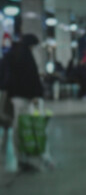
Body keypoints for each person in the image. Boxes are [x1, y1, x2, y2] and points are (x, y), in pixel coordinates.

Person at [2, 34, 44, 172]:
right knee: (20, 127)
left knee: (15, 126)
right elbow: (32, 77)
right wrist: (36, 95)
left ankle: (20, 158)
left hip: (11, 96)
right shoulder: (25, 57)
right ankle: (22, 160)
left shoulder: (11, 55)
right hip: (22, 97)